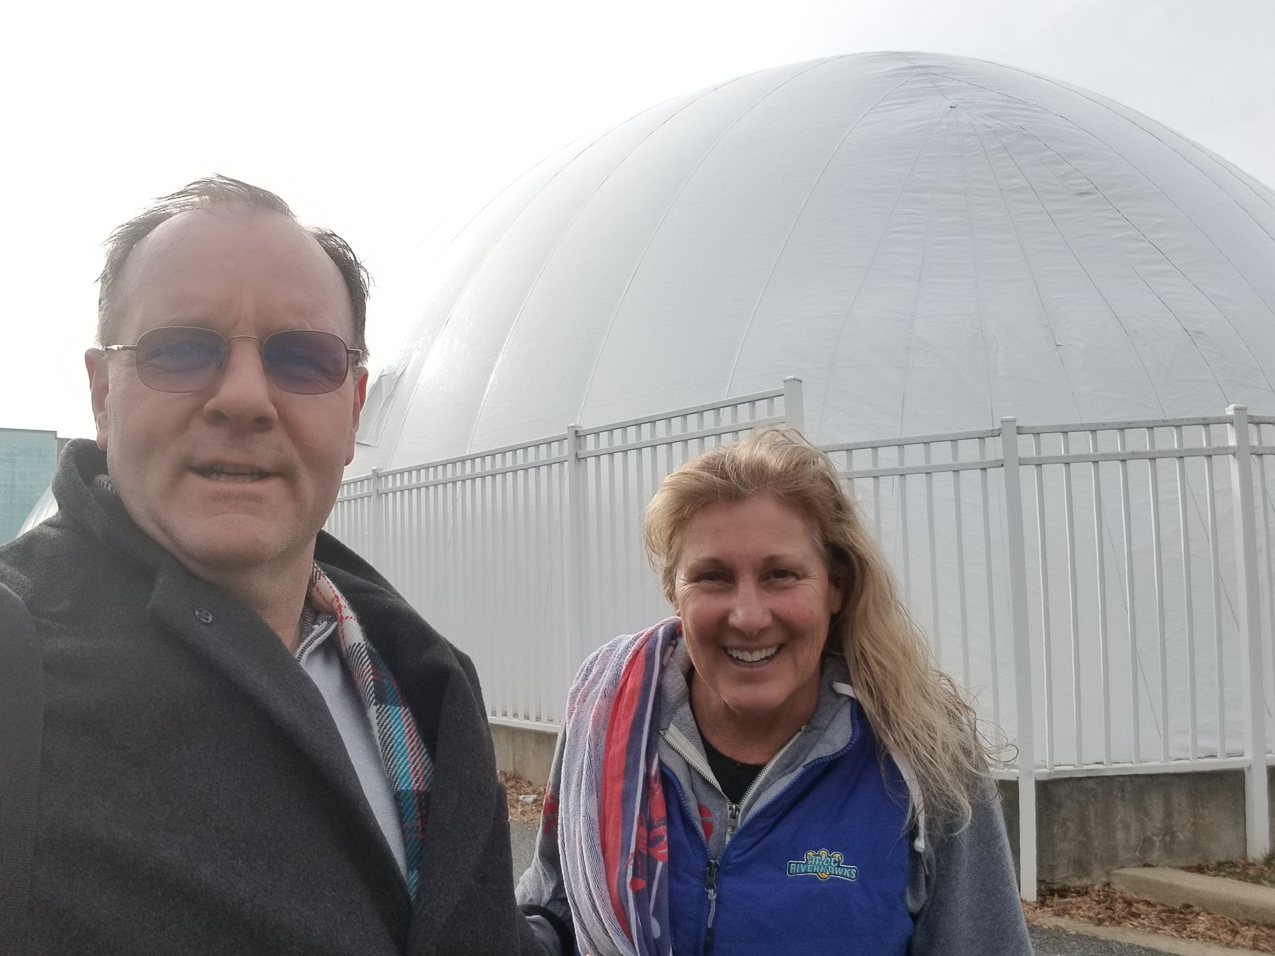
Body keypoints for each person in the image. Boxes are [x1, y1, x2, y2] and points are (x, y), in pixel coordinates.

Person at [0, 176, 563, 955]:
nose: (243, 398)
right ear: (101, 392)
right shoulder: (16, 660)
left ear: (355, 405)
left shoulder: (422, 682)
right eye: (181, 349)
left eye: (301, 358)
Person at [517, 428, 1032, 954]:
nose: (747, 616)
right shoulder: (609, 722)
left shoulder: (924, 757)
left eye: (781, 575)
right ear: (673, 590)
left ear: (837, 586)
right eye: (713, 577)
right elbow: (556, 909)